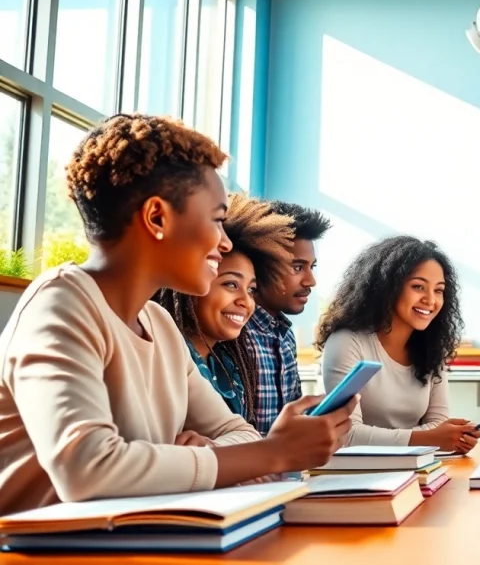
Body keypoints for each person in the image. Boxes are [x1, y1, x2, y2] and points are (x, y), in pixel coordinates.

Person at [0, 114, 355, 516]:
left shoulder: (160, 325)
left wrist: (208, 455)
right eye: (217, 220)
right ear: (157, 218)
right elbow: (88, 470)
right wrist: (272, 454)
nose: (224, 243)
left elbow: (235, 431)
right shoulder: (60, 305)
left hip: (139, 544)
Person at [317, 235, 480, 453]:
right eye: (418, 287)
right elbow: (347, 434)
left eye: (439, 290)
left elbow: (438, 423)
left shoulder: (432, 349)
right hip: (356, 472)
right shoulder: (347, 342)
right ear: (387, 288)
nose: (431, 300)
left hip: (414, 468)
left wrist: (449, 437)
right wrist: (429, 438)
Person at [154, 194, 295, 424]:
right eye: (231, 284)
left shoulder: (229, 365)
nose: (246, 301)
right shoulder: (165, 358)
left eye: (251, 290)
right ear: (191, 282)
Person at [247, 200, 331, 436]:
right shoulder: (234, 332)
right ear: (259, 267)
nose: (310, 281)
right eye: (297, 267)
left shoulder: (284, 335)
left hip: (286, 469)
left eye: (312, 267)